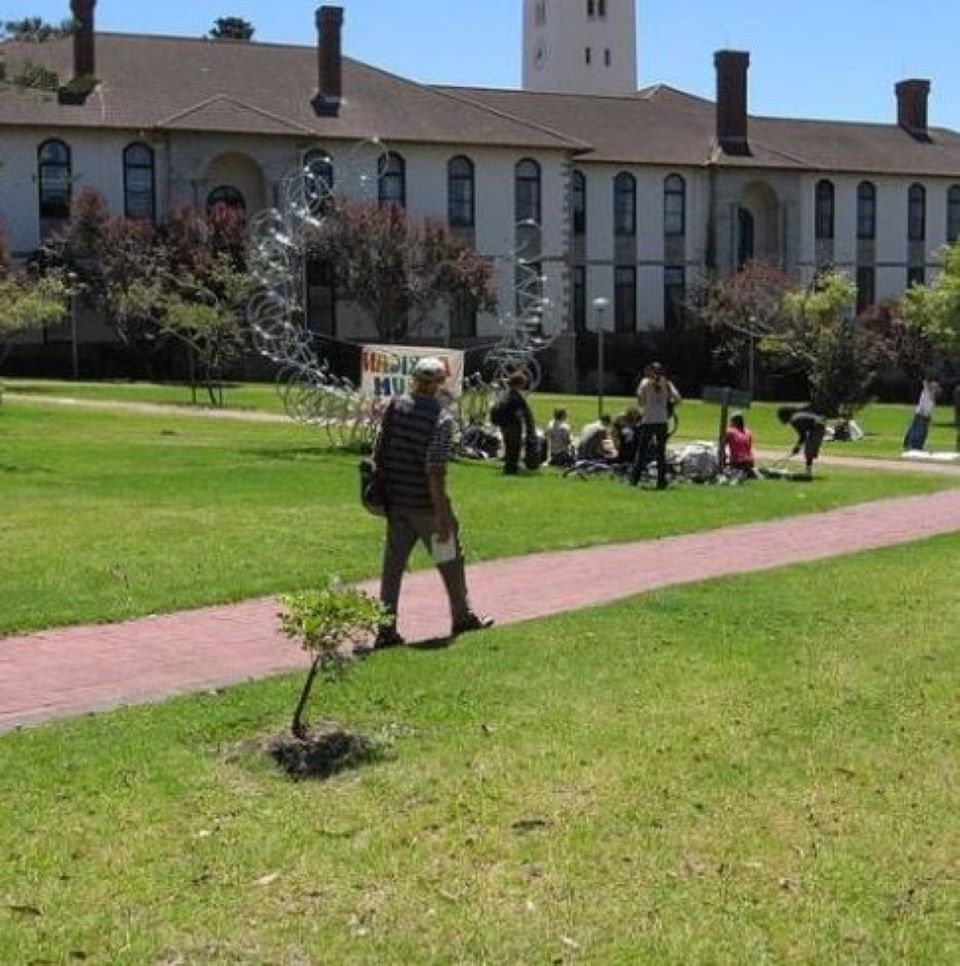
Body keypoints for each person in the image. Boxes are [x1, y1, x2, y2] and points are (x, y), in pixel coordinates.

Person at [372, 357, 493, 648]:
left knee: (392, 569)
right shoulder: (441, 418)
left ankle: (385, 630)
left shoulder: (396, 406)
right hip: (427, 507)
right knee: (450, 563)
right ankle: (462, 616)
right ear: (440, 383)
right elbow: (435, 469)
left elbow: (379, 451)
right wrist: (441, 516)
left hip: (397, 503)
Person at [630, 362, 681, 489]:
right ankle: (661, 481)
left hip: (648, 420)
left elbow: (641, 402)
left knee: (642, 451)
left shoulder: (645, 383)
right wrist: (668, 404)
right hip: (662, 421)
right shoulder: (667, 383)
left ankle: (635, 479)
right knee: (661, 453)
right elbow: (678, 399)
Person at [495, 371, 537, 475]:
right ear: (518, 384)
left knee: (509, 447)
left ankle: (509, 468)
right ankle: (512, 469)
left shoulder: (506, 394)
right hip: (513, 425)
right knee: (514, 448)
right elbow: (521, 411)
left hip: (505, 425)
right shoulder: (515, 396)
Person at [777, 405, 826, 475]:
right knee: (809, 450)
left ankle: (808, 472)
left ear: (786, 416)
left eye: (781, 417)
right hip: (815, 427)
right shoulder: (795, 418)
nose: (781, 420)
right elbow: (803, 435)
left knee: (809, 449)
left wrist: (797, 447)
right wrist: (797, 447)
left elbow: (803, 435)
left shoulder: (795, 420)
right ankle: (808, 470)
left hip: (818, 426)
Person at [903, 378, 940, 451]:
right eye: (934, 387)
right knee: (917, 432)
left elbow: (929, 409)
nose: (935, 389)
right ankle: (912, 446)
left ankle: (918, 446)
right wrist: (925, 377)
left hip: (926, 417)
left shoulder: (932, 397)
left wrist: (930, 418)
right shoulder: (926, 393)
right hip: (920, 416)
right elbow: (925, 383)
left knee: (922, 433)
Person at [724, 411, 757, 476]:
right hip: (750, 461)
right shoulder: (748, 432)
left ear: (735, 421)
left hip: (737, 462)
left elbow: (721, 446)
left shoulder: (730, 432)